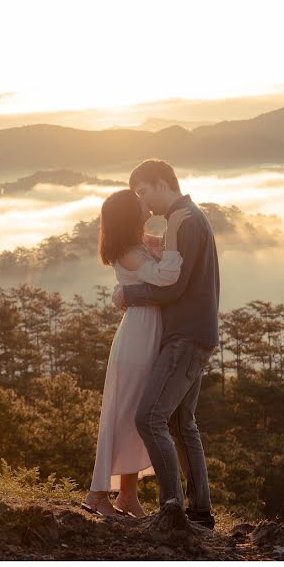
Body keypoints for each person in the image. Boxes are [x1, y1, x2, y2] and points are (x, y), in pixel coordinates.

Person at [111, 159, 220, 529]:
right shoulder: (190, 217)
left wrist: (129, 293)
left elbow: (174, 285)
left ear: (161, 183)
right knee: (180, 423)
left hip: (185, 336)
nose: (145, 203)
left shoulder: (182, 220)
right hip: (197, 333)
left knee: (149, 417)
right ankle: (200, 514)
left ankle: (172, 508)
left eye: (143, 192)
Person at [81, 189, 191, 518]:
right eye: (139, 202)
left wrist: (167, 236)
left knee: (134, 419)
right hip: (137, 339)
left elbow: (159, 255)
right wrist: (171, 233)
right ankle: (97, 495)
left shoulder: (137, 243)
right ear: (129, 213)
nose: (146, 204)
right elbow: (166, 277)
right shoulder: (129, 251)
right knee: (123, 416)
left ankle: (127, 497)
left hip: (147, 334)